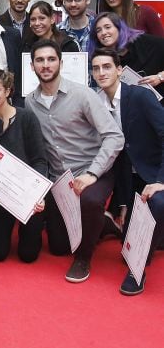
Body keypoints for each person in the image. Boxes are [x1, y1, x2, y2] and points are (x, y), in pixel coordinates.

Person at [25, 39, 123, 282]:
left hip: (93, 169)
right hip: (59, 179)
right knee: (58, 247)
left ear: (60, 62)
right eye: (40, 60)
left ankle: (83, 258)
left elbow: (114, 136)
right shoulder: (30, 102)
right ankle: (104, 225)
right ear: (32, 66)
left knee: (89, 200)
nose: (46, 65)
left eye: (51, 59)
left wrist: (92, 174)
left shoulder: (82, 95)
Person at [91, 48, 164, 295]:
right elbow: (120, 154)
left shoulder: (141, 96)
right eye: (96, 68)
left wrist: (161, 181)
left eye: (107, 66)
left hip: (155, 171)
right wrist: (121, 201)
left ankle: (137, 271)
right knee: (127, 246)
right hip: (130, 177)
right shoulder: (97, 103)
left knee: (158, 202)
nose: (101, 72)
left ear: (120, 70)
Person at [0, 69, 47, 262]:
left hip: (27, 195)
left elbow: (40, 159)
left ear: (8, 91)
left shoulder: (27, 118)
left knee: (28, 255)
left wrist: (38, 195)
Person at [88, 11, 164, 97]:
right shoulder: (102, 57)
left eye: (108, 27)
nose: (103, 33)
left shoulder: (147, 43)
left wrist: (160, 77)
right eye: (98, 30)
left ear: (120, 28)